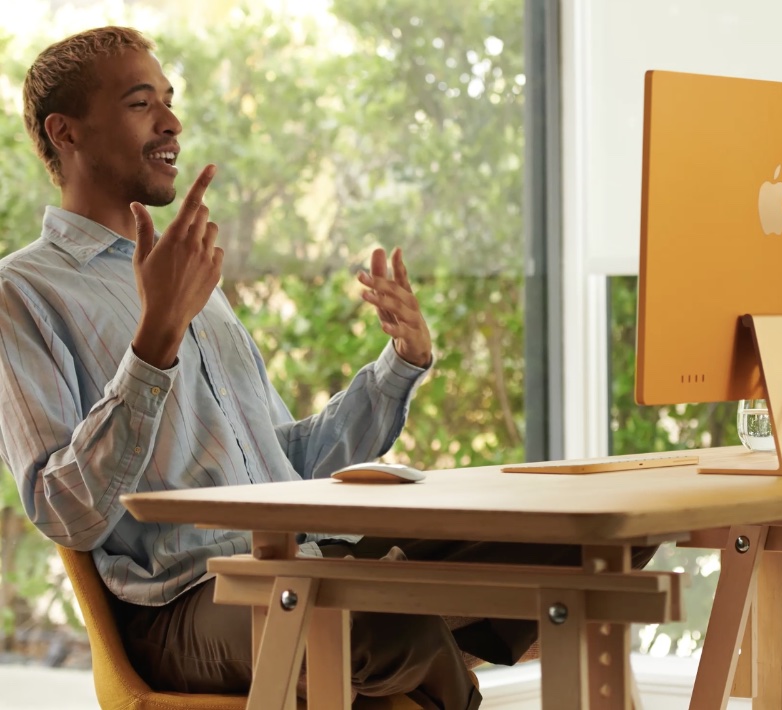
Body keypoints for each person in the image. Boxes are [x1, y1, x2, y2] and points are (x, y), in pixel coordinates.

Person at [0, 26, 653, 709]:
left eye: (169, 98)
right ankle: (414, 629)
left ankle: (409, 622)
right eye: (142, 103)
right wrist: (154, 342)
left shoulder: (191, 280)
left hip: (308, 559)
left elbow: (292, 465)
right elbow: (63, 509)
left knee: (596, 537)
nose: (173, 121)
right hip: (190, 601)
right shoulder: (25, 292)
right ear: (65, 132)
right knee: (368, 620)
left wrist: (399, 364)